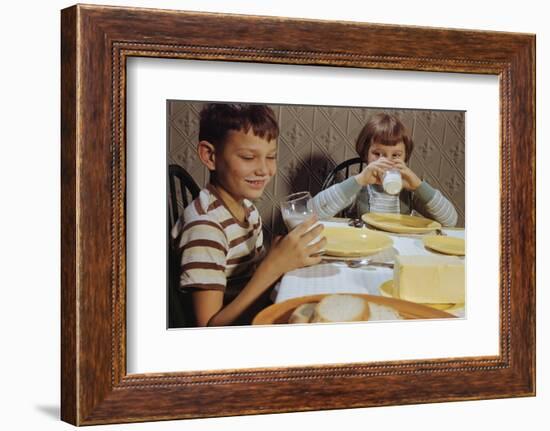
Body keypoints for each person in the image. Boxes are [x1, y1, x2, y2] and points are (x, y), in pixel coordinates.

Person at [172, 103, 326, 327]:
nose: (264, 170)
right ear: (210, 156)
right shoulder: (205, 227)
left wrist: (277, 256)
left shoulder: (248, 210)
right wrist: (273, 267)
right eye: (247, 157)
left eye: (271, 156)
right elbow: (207, 330)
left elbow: (250, 277)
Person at [311, 113, 458, 226]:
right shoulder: (360, 187)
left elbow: (450, 221)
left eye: (396, 155)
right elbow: (313, 213)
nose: (386, 162)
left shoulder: (409, 190)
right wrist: (358, 180)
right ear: (365, 154)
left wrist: (418, 186)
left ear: (405, 157)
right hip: (365, 246)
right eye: (377, 154)